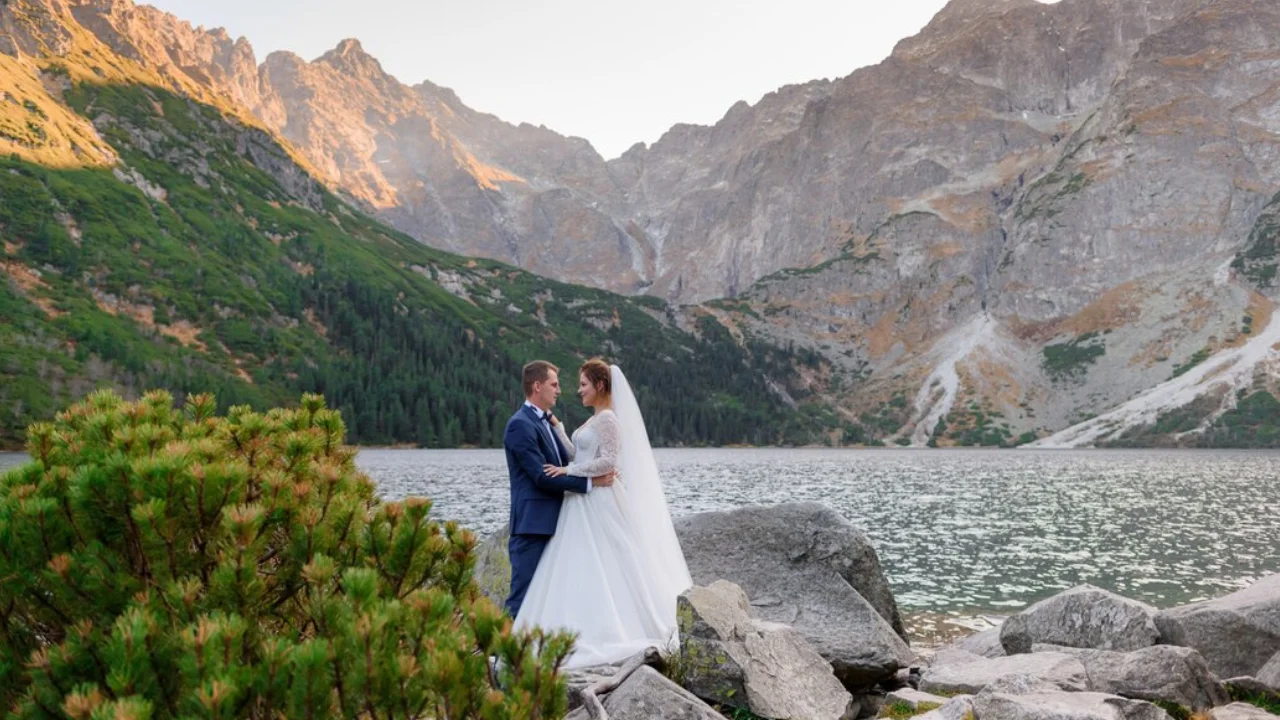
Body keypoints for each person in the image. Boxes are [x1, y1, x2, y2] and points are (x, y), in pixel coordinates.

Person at [512, 358, 693, 669]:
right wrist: (560, 430)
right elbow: (576, 453)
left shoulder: (608, 419)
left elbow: (608, 461)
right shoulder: (592, 420)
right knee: (581, 564)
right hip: (582, 500)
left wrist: (570, 471)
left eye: (583, 384)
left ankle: (605, 628)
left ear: (599, 386)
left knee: (608, 561)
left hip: (598, 500)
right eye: (563, 384)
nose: (576, 390)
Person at [502, 360, 615, 619]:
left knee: (548, 595)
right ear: (537, 386)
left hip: (556, 521)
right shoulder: (520, 424)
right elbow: (542, 476)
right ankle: (501, 657)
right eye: (554, 385)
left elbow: (569, 460)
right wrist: (590, 483)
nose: (560, 390)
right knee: (523, 593)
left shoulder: (542, 422)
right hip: (533, 525)